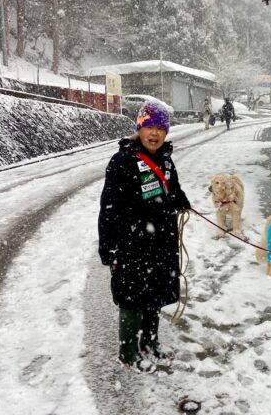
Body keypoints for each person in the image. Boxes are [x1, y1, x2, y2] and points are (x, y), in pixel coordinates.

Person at [98, 100, 190, 374]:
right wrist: (109, 249)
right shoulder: (122, 161)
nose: (154, 133)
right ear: (139, 128)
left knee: (155, 294)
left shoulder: (165, 158)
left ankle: (150, 342)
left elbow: (171, 188)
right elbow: (108, 208)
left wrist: (181, 199)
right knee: (132, 297)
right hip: (131, 244)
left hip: (161, 241)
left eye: (159, 128)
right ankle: (127, 352)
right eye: (148, 126)